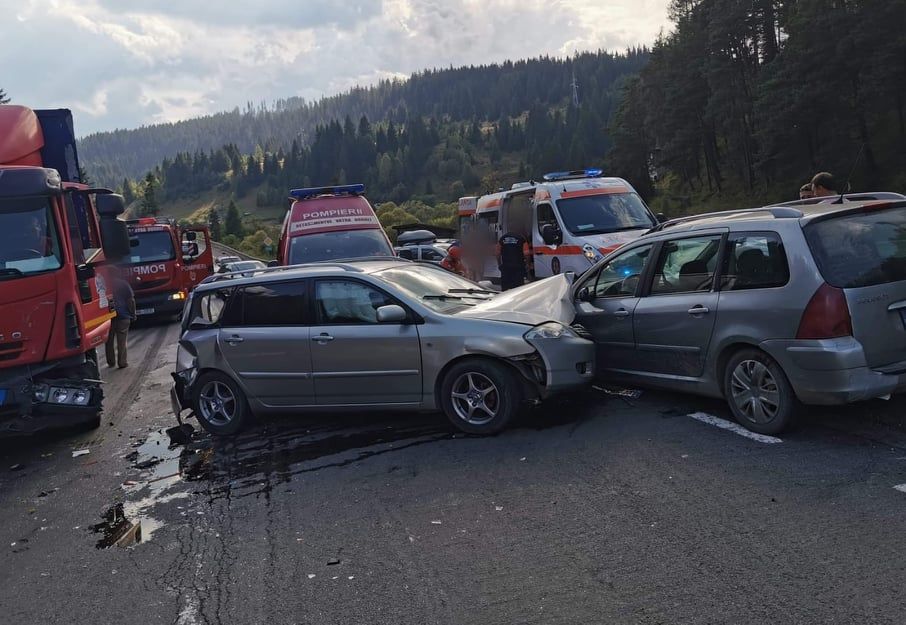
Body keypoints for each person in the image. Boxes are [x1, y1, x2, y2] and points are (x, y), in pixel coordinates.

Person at [106, 267, 136, 369]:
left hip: (108, 317)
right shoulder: (123, 284)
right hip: (123, 315)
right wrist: (133, 314)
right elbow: (131, 300)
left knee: (109, 340)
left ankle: (111, 361)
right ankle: (122, 362)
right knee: (122, 340)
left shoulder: (105, 284)